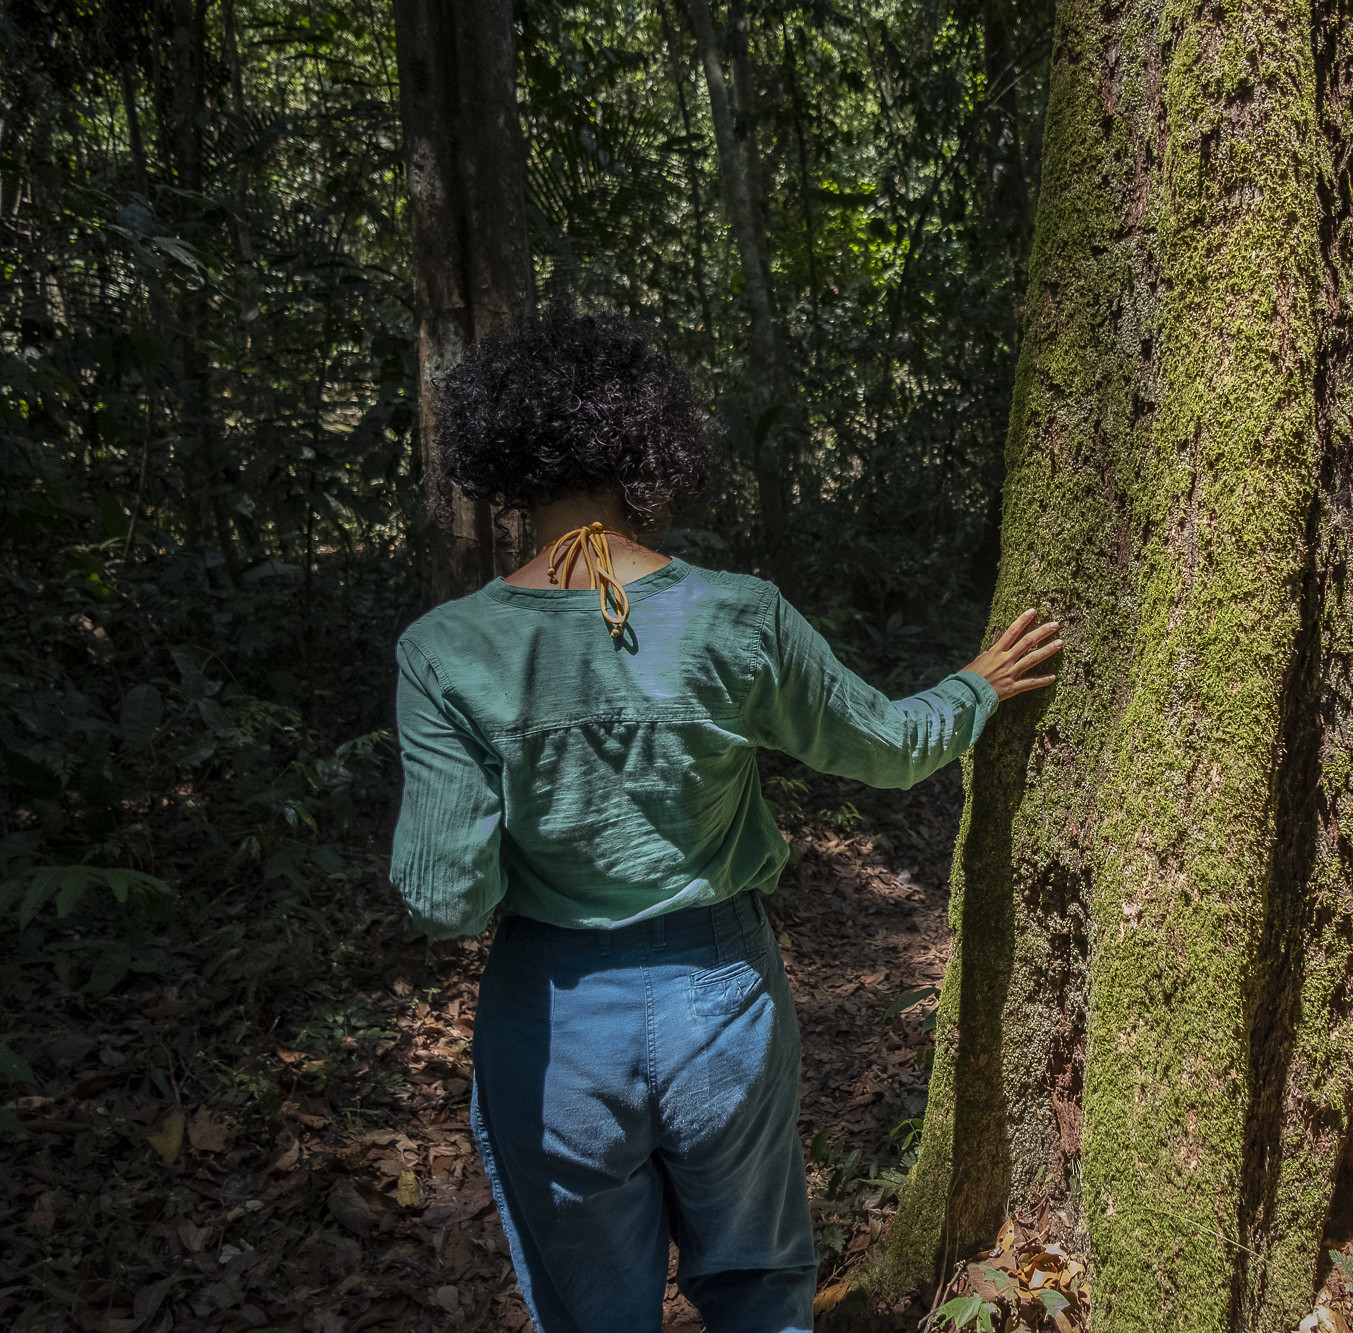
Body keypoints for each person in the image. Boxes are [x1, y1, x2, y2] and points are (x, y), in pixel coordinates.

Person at [387, 304, 1060, 1333]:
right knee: (758, 1295)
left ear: (507, 462)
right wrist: (972, 688)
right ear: (644, 451)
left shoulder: (446, 649)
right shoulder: (733, 612)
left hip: (551, 1019)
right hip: (720, 1002)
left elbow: (446, 897)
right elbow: (880, 749)